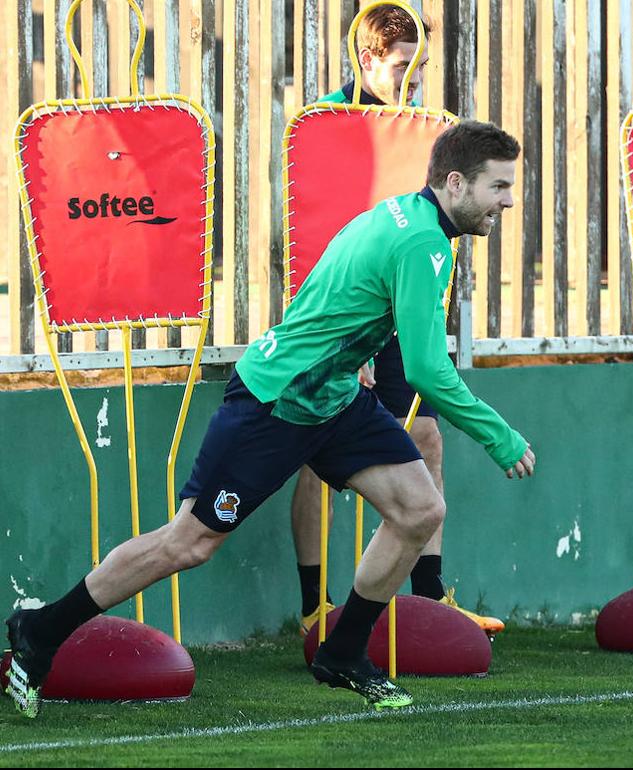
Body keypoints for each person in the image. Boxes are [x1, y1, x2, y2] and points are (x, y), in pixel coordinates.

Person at [5, 119, 534, 717]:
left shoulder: (400, 214)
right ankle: (42, 629)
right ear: (457, 183)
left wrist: (345, 352)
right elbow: (426, 370)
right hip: (275, 401)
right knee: (189, 543)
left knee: (419, 509)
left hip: (331, 397)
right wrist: (501, 437)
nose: (508, 202)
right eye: (499, 188)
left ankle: (343, 653)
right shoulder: (423, 243)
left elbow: (336, 293)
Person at [291, 5, 504, 638]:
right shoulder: (328, 125)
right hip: (338, 321)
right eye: (401, 65)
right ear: (366, 60)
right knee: (314, 457)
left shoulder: (423, 137)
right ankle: (313, 608)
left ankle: (429, 599)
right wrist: (347, 338)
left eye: (421, 67)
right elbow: (316, 231)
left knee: (429, 439)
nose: (413, 79)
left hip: (400, 318)